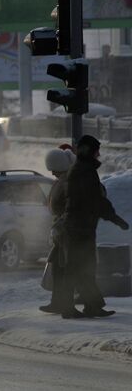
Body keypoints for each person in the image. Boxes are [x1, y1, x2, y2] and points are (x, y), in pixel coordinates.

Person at [61, 135, 129, 319]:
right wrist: (115, 218)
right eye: (96, 150)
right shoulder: (84, 171)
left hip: (80, 227)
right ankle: (75, 307)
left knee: (83, 268)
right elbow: (95, 200)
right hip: (78, 228)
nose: (99, 154)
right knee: (79, 268)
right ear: (88, 151)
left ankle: (91, 305)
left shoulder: (82, 169)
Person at [39, 147, 75, 314]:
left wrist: (59, 224)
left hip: (65, 232)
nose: (52, 173)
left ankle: (65, 304)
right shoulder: (62, 181)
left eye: (54, 169)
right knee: (57, 267)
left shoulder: (67, 183)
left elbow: (69, 208)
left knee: (63, 269)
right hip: (59, 231)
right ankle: (58, 302)